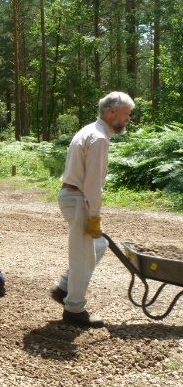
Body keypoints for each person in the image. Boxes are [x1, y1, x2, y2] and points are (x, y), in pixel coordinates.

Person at [51, 91, 134, 328]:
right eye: (127, 114)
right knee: (83, 258)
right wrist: (94, 215)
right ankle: (74, 309)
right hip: (79, 198)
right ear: (112, 112)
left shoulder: (91, 130)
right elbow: (93, 183)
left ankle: (65, 287)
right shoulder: (99, 138)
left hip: (73, 196)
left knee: (99, 245)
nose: (128, 119)